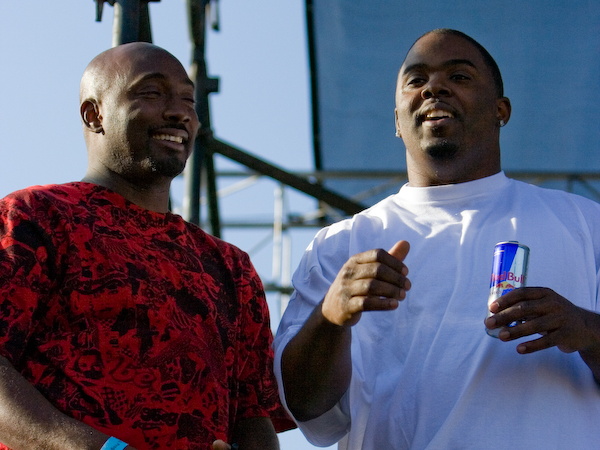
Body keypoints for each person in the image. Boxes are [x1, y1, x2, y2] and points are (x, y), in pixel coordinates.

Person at [273, 28, 600, 449]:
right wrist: (330, 316)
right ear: (397, 120)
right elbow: (304, 408)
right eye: (416, 80)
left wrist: (587, 328)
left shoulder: (584, 223)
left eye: (459, 76)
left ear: (500, 110)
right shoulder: (342, 244)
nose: (434, 88)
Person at [0, 42, 293, 450]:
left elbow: (252, 415)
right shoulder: (33, 217)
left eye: (188, 100)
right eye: (152, 93)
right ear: (94, 114)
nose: (180, 113)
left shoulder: (230, 266)